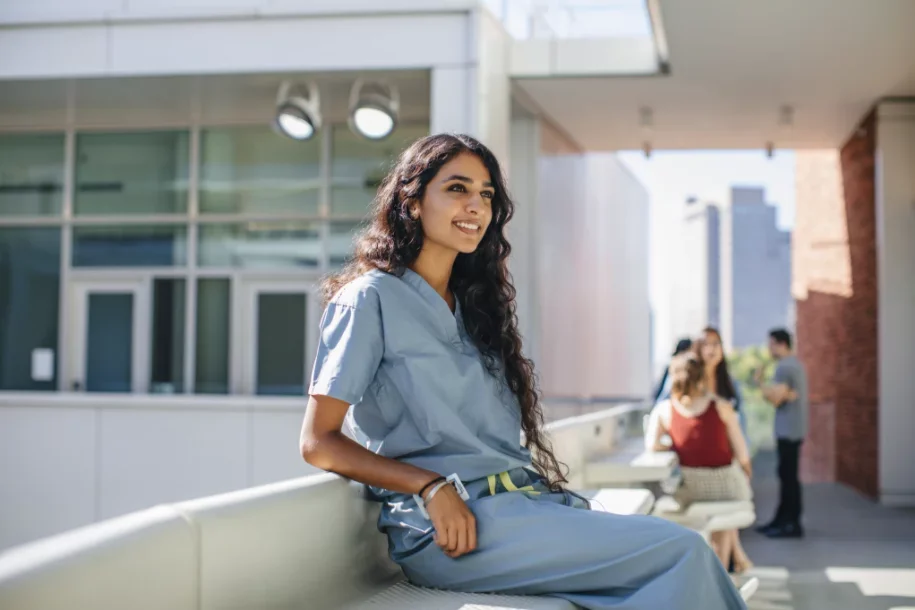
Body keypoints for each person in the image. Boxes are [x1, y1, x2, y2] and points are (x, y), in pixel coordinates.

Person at [299, 133, 752, 609]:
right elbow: (318, 442)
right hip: (454, 530)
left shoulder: (473, 309)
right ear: (412, 201)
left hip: (523, 508)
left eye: (487, 194)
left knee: (667, 577)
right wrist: (427, 485)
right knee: (682, 552)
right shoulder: (368, 299)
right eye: (457, 188)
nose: (475, 205)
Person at [651, 352, 754, 574]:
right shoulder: (721, 406)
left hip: (692, 490)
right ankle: (723, 571)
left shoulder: (664, 410)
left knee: (717, 514)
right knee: (726, 515)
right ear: (701, 377)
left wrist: (676, 446)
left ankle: (716, 570)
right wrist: (746, 472)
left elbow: (652, 445)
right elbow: (743, 454)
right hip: (728, 487)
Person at [755, 328, 807, 539]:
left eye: (771, 344)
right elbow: (785, 395)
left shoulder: (784, 367)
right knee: (788, 476)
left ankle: (790, 523)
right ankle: (783, 519)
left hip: (788, 431)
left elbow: (776, 398)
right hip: (794, 429)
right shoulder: (795, 364)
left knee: (788, 477)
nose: (769, 349)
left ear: (780, 344)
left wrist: (759, 382)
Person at [694, 327, 748, 442]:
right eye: (706, 344)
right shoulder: (689, 381)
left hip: (725, 448)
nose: (711, 349)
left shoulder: (731, 383)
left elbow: (740, 421)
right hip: (696, 444)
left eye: (716, 343)